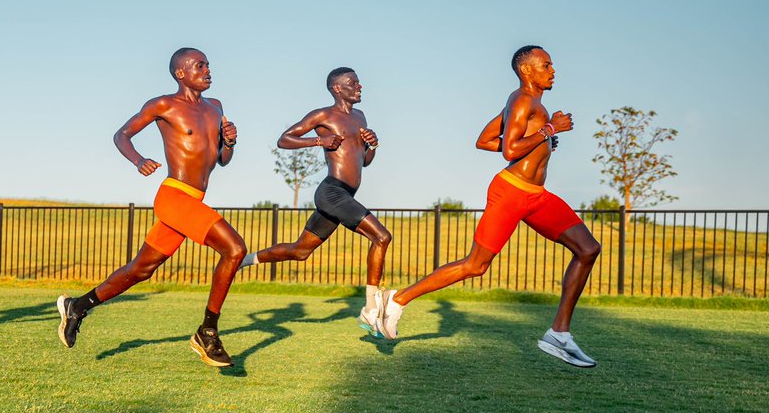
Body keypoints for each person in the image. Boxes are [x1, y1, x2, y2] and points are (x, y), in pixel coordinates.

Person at [379, 45, 601, 367]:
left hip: (536, 196)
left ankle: (559, 334)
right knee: (475, 265)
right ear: (527, 70)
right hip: (511, 192)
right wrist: (549, 130)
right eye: (547, 65)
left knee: (588, 248)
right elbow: (509, 151)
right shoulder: (523, 100)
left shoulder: (529, 103)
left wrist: (540, 137)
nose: (553, 70)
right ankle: (397, 300)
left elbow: (484, 141)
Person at [56, 47, 246, 367]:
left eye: (208, 65)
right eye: (200, 66)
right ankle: (208, 332)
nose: (208, 70)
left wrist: (229, 142)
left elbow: (222, 161)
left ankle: (78, 306)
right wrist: (139, 160)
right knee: (235, 249)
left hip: (194, 199)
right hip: (174, 196)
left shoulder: (216, 108)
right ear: (180, 73)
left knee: (141, 270)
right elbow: (122, 135)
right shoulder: (164, 104)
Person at [240, 67, 393, 333]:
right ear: (337, 88)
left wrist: (372, 145)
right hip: (332, 192)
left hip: (346, 194)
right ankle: (371, 309)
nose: (360, 86)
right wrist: (320, 141)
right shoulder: (323, 115)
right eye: (353, 83)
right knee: (382, 237)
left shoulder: (360, 116)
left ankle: (244, 259)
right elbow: (284, 139)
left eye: (358, 83)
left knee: (300, 251)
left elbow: (364, 162)